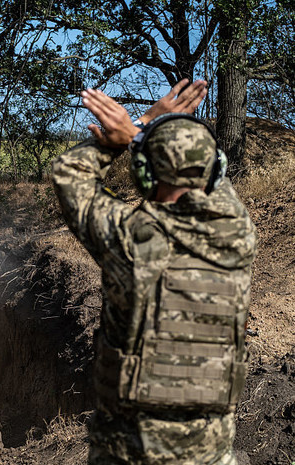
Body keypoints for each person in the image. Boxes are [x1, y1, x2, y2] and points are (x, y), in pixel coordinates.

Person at [51, 79, 257, 464]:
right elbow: (216, 182)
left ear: (145, 175)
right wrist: (148, 138)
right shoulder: (239, 237)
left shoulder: (129, 241)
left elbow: (68, 174)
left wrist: (137, 129)